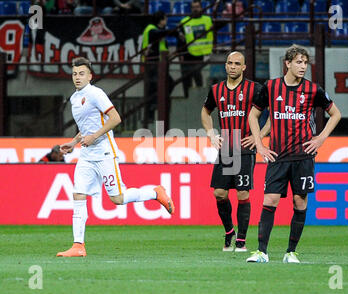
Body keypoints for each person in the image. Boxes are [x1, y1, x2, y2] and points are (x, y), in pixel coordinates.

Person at [56, 57, 175, 257]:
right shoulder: (75, 98)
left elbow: (116, 118)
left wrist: (95, 136)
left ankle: (155, 192)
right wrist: (74, 141)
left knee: (117, 199)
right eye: (75, 74)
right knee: (78, 195)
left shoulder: (96, 94)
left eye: (82, 73)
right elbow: (87, 127)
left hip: (104, 152)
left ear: (90, 76)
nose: (77, 77)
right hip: (86, 155)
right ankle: (78, 246)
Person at [246, 45, 341, 263]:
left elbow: (336, 114)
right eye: (298, 62)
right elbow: (253, 115)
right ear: (287, 63)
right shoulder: (270, 87)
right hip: (277, 155)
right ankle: (262, 252)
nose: (302, 66)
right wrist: (259, 145)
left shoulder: (312, 89)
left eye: (305, 63)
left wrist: (321, 138)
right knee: (270, 200)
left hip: (303, 155)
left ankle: (291, 252)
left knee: (300, 202)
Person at [201, 51, 270, 252]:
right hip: (225, 149)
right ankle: (229, 230)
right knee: (219, 193)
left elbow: (274, 113)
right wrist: (211, 134)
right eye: (229, 63)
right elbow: (205, 111)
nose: (232, 66)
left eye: (237, 63)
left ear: (244, 67)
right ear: (225, 65)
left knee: (242, 193)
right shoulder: (216, 89)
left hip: (245, 149)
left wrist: (259, 137)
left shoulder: (255, 89)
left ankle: (241, 239)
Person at [141, 10, 179, 122]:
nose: (166, 21)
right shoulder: (151, 29)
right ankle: (153, 109)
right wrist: (174, 32)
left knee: (158, 87)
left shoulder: (158, 30)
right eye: (165, 19)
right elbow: (157, 34)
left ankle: (154, 106)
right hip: (152, 64)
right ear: (161, 20)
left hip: (159, 63)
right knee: (157, 88)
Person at [179, 0, 213, 97]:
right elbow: (180, 40)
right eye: (193, 7)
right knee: (186, 80)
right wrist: (180, 54)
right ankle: (187, 98)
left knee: (198, 77)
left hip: (200, 54)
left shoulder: (208, 20)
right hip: (187, 54)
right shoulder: (185, 21)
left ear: (201, 8)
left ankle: (200, 98)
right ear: (190, 9)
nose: (195, 9)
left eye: (197, 7)